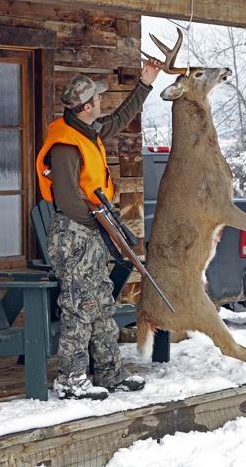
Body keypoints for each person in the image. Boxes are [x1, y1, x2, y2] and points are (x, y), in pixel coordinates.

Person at [36, 62, 160, 400]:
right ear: (86, 106)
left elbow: (119, 119)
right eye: (98, 99)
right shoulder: (65, 146)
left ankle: (109, 373)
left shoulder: (86, 130)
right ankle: (71, 379)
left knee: (102, 302)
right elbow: (65, 197)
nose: (102, 102)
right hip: (72, 234)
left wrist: (145, 85)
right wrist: (98, 224)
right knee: (79, 306)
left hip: (88, 231)